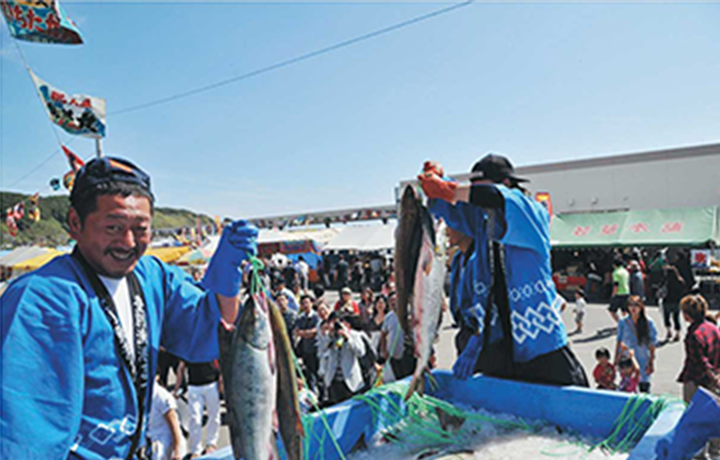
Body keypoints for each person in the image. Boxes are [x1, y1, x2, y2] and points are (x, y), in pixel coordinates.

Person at [0, 157, 258, 460]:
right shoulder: (40, 300)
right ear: (75, 223)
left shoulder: (152, 275)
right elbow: (24, 436)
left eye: (140, 228)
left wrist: (226, 279)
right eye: (113, 227)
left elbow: (208, 333)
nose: (128, 242)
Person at [419, 154, 588, 387]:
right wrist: (437, 179)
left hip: (541, 342)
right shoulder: (482, 222)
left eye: (477, 194)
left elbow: (493, 198)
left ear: (507, 185)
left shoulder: (530, 212)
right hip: (498, 346)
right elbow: (451, 205)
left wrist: (449, 189)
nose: (476, 204)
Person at [677, 294, 720, 459]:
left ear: (687, 315)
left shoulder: (693, 335)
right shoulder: (713, 328)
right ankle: (716, 452)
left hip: (696, 382)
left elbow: (700, 361)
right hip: (714, 382)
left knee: (695, 419)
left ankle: (699, 454)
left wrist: (712, 376)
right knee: (715, 417)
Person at [173, 361, 221, 458]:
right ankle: (196, 449)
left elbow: (220, 363)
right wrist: (176, 388)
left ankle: (211, 444)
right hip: (194, 385)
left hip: (211, 383)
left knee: (214, 415)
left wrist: (221, 381)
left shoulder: (211, 346)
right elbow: (181, 367)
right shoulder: (190, 348)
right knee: (194, 418)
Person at [318, 312, 366, 405]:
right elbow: (321, 351)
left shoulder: (354, 335)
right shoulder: (329, 336)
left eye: (338, 322)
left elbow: (361, 352)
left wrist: (347, 338)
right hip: (333, 379)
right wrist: (330, 336)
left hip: (350, 380)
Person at [616, 295, 658, 393]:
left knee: (644, 390)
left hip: (643, 359)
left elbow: (652, 343)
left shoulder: (648, 322)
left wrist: (651, 361)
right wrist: (616, 359)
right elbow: (619, 341)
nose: (633, 308)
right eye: (631, 305)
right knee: (628, 389)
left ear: (641, 307)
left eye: (636, 305)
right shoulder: (623, 322)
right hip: (628, 362)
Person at [147, 376, 185, 460]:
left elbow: (175, 426)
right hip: (150, 441)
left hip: (165, 444)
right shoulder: (143, 396)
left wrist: (177, 450)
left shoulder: (162, 396)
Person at [380, 291, 416, 380]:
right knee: (398, 377)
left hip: (408, 352)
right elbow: (383, 334)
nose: (393, 303)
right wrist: (384, 350)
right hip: (393, 354)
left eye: (395, 300)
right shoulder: (388, 317)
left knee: (408, 377)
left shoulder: (409, 314)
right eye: (390, 301)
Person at [295, 294, 320, 393]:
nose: (305, 305)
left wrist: (304, 333)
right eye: (303, 303)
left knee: (317, 373)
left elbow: (315, 331)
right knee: (308, 373)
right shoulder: (300, 318)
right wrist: (306, 333)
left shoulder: (316, 316)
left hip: (315, 348)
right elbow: (297, 331)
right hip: (305, 349)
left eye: (307, 302)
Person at [662, 261, 686, 342]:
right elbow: (683, 291)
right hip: (677, 301)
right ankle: (678, 334)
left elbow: (661, 290)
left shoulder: (666, 282)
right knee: (676, 318)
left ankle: (669, 331)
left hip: (667, 301)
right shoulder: (680, 281)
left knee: (667, 317)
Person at [608, 257, 631, 323]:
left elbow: (616, 285)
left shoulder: (616, 273)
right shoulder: (626, 271)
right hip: (626, 292)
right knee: (624, 310)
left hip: (619, 293)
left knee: (611, 310)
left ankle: (620, 323)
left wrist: (613, 294)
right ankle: (628, 323)